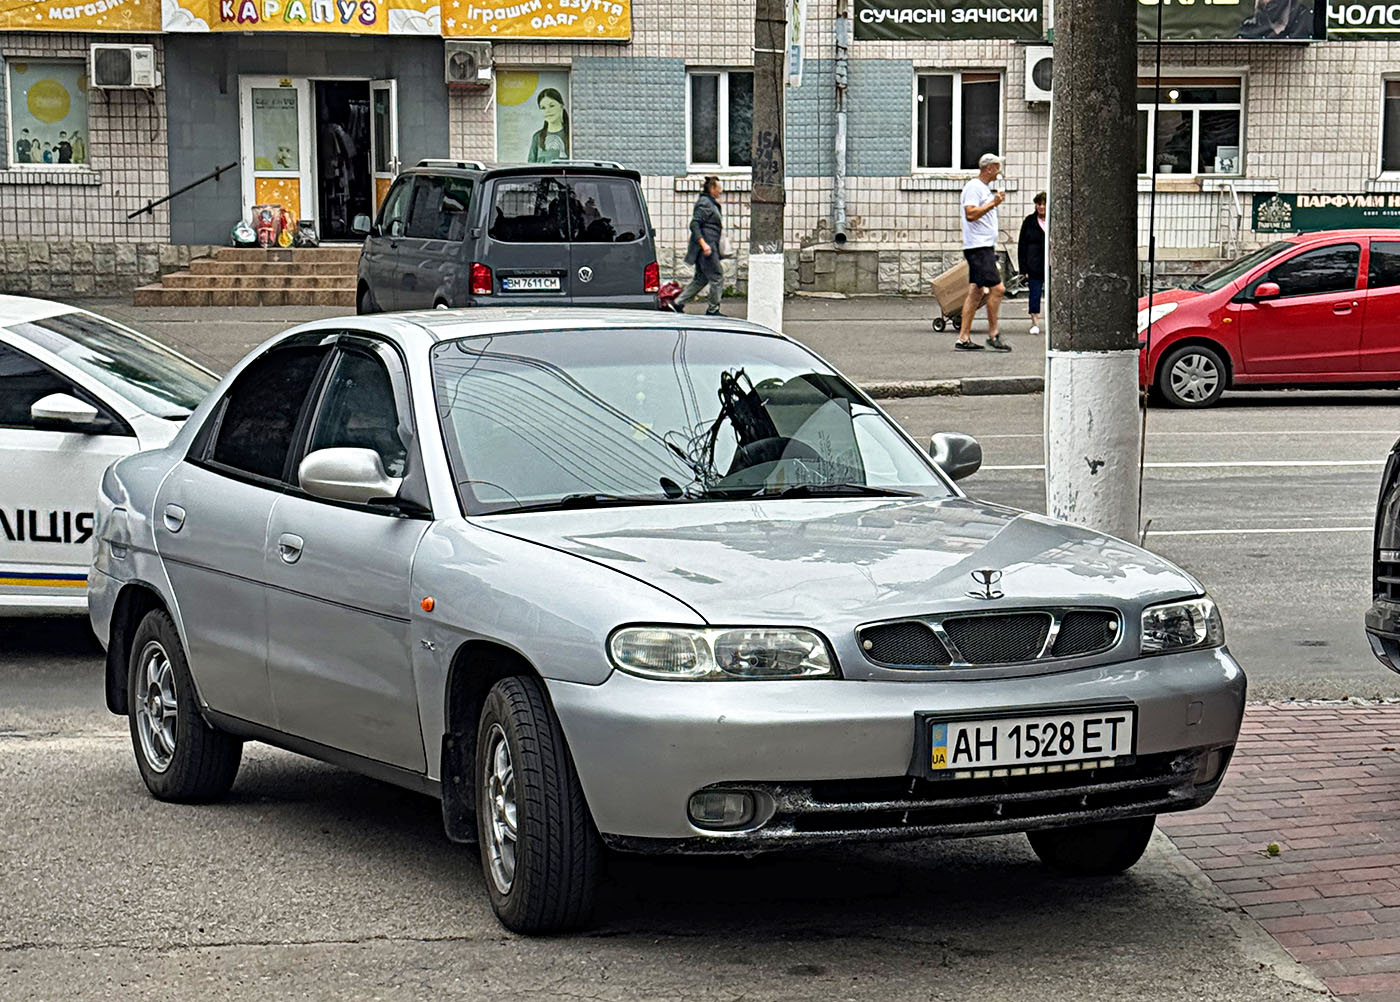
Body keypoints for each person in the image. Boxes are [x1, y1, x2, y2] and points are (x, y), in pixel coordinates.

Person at [957, 153, 1010, 352]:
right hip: (978, 247)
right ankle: (993, 335)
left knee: (976, 291)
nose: (999, 171)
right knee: (998, 289)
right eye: (997, 167)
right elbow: (970, 213)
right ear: (989, 168)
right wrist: (993, 203)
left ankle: (963, 338)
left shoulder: (984, 188)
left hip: (983, 246)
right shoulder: (974, 187)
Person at [672, 176, 725, 315]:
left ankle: (677, 303)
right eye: (719, 188)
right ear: (712, 188)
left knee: (701, 279)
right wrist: (704, 244)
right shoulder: (705, 203)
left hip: (708, 246)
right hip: (706, 248)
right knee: (717, 276)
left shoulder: (709, 202)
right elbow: (694, 224)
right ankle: (713, 310)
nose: (721, 191)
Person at [1017, 191, 1047, 336]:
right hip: (1034, 264)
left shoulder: (1054, 220)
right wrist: (1023, 269)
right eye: (1039, 204)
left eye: (1044, 204)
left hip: (1051, 264)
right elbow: (1022, 245)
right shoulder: (1029, 221)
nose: (1041, 207)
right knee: (1034, 293)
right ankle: (1035, 322)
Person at [528, 88, 570, 163]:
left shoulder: (571, 135)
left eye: (552, 106)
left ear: (561, 106)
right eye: (543, 108)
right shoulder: (537, 137)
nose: (547, 111)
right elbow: (530, 166)